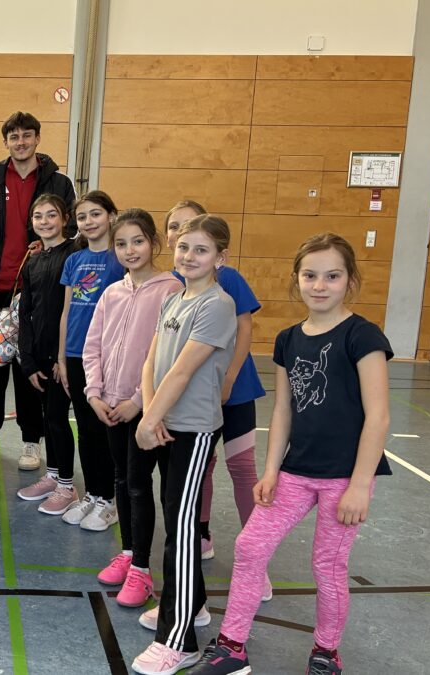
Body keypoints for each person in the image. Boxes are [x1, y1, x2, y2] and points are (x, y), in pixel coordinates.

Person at [186, 234, 392, 675]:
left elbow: (378, 416)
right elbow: (283, 409)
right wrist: (271, 470)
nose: (320, 285)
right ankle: (232, 647)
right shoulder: (288, 339)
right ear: (296, 279)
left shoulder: (362, 335)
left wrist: (360, 486)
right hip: (296, 471)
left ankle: (326, 652)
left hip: (344, 476)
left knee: (327, 565)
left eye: (332, 276)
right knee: (250, 546)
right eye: (310, 275)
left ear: (350, 280)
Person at [130, 214, 237, 675]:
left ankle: (179, 639)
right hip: (165, 423)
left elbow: (183, 370)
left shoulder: (218, 304)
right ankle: (191, 603)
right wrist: (150, 414)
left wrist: (149, 418)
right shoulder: (174, 298)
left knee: (181, 526)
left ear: (220, 257)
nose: (189, 256)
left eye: (202, 250)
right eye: (184, 247)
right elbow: (152, 361)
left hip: (193, 429)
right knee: (176, 517)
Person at [0, 111, 76, 464]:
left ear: (37, 139)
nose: (20, 142)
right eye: (14, 137)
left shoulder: (59, 182)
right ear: (5, 142)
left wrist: (50, 247)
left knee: (30, 368)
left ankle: (30, 440)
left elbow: (71, 229)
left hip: (38, 292)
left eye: (27, 135)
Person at [79, 209, 182, 594]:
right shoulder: (111, 293)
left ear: (153, 243)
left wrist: (138, 402)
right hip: (110, 408)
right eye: (121, 244)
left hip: (146, 410)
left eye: (138, 241)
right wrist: (94, 393)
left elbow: (169, 357)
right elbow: (92, 346)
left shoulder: (171, 290)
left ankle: (141, 567)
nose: (130, 250)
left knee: (139, 484)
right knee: (121, 480)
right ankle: (127, 550)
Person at [165, 200, 266, 565]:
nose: (182, 232)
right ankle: (201, 535)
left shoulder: (229, 278)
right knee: (201, 466)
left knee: (242, 467)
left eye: (191, 224)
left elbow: (244, 328)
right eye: (175, 227)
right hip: (193, 395)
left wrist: (230, 377)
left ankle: (255, 553)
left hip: (235, 390)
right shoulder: (169, 284)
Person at [54, 191, 126, 528]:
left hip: (106, 357)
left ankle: (109, 500)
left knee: (104, 428)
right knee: (84, 428)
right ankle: (93, 493)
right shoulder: (74, 260)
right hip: (74, 354)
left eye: (96, 214)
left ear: (112, 216)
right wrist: (61, 356)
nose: (89, 222)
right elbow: (66, 311)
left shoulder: (121, 259)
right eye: (82, 217)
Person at [14, 193, 82, 512]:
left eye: (51, 215)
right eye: (38, 216)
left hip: (63, 357)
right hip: (39, 355)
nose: (44, 221)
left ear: (65, 218)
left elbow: (74, 310)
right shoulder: (34, 261)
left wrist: (61, 356)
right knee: (48, 418)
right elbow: (25, 312)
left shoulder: (75, 254)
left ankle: (67, 486)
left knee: (57, 418)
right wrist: (28, 361)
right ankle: (54, 475)